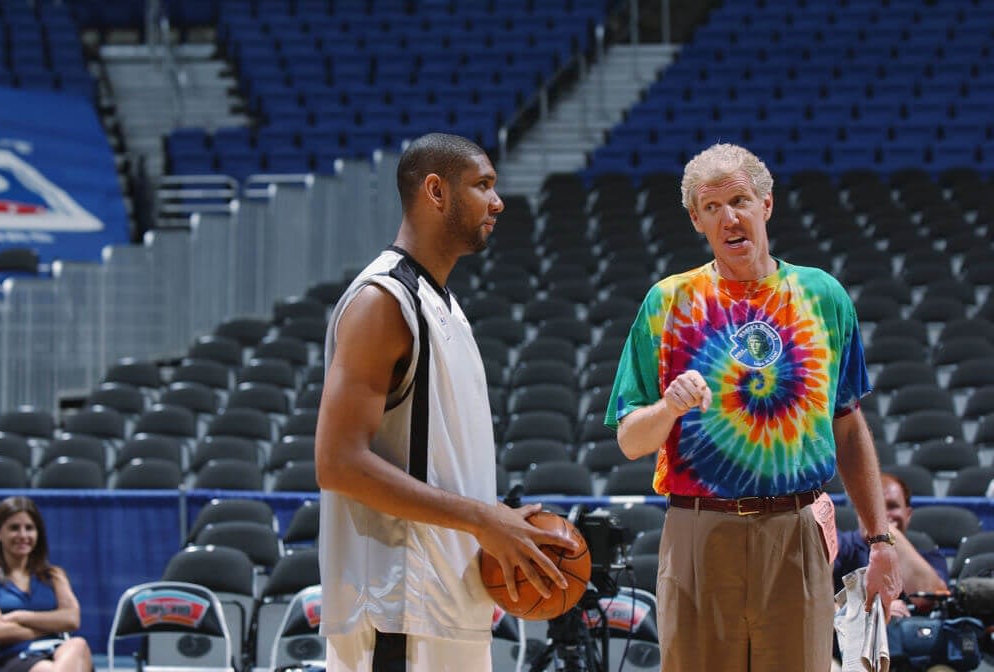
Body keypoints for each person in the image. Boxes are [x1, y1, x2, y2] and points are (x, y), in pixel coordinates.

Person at [604, 143, 902, 672]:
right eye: (712, 207)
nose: (729, 217)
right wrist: (668, 408)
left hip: (796, 529)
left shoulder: (823, 296)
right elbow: (630, 439)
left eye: (740, 200)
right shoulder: (667, 303)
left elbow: (849, 424)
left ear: (766, 204)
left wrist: (880, 540)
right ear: (696, 219)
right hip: (698, 531)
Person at [314, 132, 578, 671]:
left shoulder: (446, 306)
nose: (497, 202)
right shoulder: (382, 301)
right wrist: (482, 518)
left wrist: (496, 519)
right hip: (397, 612)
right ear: (436, 191)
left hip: (446, 607)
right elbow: (337, 463)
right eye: (483, 186)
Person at [0, 496, 92, 672]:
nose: (23, 535)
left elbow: (72, 619)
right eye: (14, 528)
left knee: (78, 644)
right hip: (14, 658)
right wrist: (51, 624)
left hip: (58, 651)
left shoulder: (54, 575)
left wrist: (21, 617)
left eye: (29, 528)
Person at [833, 472, 949, 615]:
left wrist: (884, 532)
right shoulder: (839, 546)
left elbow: (933, 598)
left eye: (892, 506)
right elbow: (812, 601)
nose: (883, 514)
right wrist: (876, 609)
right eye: (874, 506)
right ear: (858, 511)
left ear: (908, 514)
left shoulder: (929, 556)